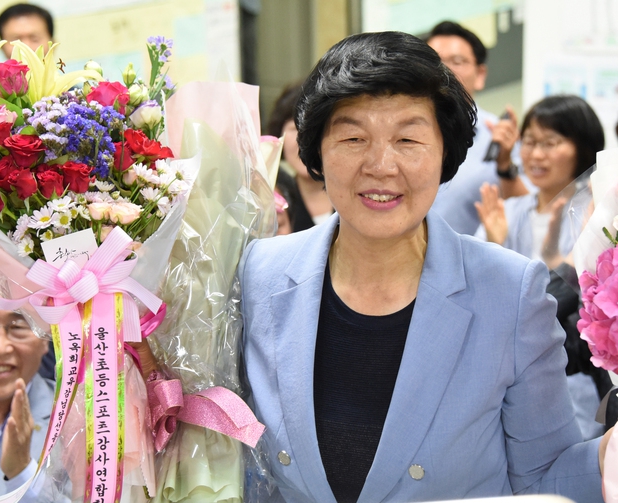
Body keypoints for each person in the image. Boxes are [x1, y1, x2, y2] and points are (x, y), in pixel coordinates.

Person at [238, 31, 611, 503]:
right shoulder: (257, 274)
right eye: (353, 137)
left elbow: (545, 474)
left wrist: (608, 455)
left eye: (408, 139)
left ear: (444, 154)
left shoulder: (510, 293)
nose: (380, 165)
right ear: (316, 151)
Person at [475, 94, 610, 440]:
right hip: (507, 374)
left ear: (582, 147)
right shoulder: (508, 210)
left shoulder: (597, 211)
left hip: (575, 375)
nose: (536, 154)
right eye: (530, 142)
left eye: (551, 143)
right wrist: (493, 243)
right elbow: (480, 298)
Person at [426, 21, 528, 235]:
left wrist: (505, 165)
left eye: (457, 61)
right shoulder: (401, 131)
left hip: (468, 264)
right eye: (434, 61)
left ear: (480, 74)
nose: (444, 70)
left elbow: (530, 212)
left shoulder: (500, 137)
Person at [0, 280, 54, 501]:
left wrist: (22, 471)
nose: (0, 348)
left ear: (45, 340)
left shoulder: (78, 423)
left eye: (19, 327)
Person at [267, 82, 333, 232]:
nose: (305, 140)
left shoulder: (360, 200)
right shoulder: (273, 204)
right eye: (295, 128)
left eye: (317, 129)